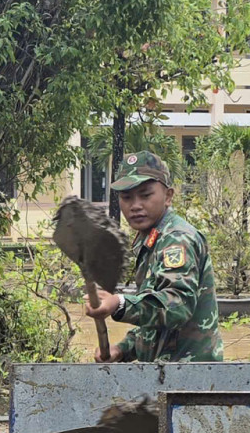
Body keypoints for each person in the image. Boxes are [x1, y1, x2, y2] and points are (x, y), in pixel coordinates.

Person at [85, 151, 223, 363]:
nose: (135, 205)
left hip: (190, 378)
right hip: (163, 375)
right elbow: (154, 322)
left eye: (146, 195)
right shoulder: (151, 238)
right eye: (126, 197)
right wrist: (122, 349)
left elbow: (178, 305)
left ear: (168, 196)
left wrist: (120, 304)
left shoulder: (177, 239)